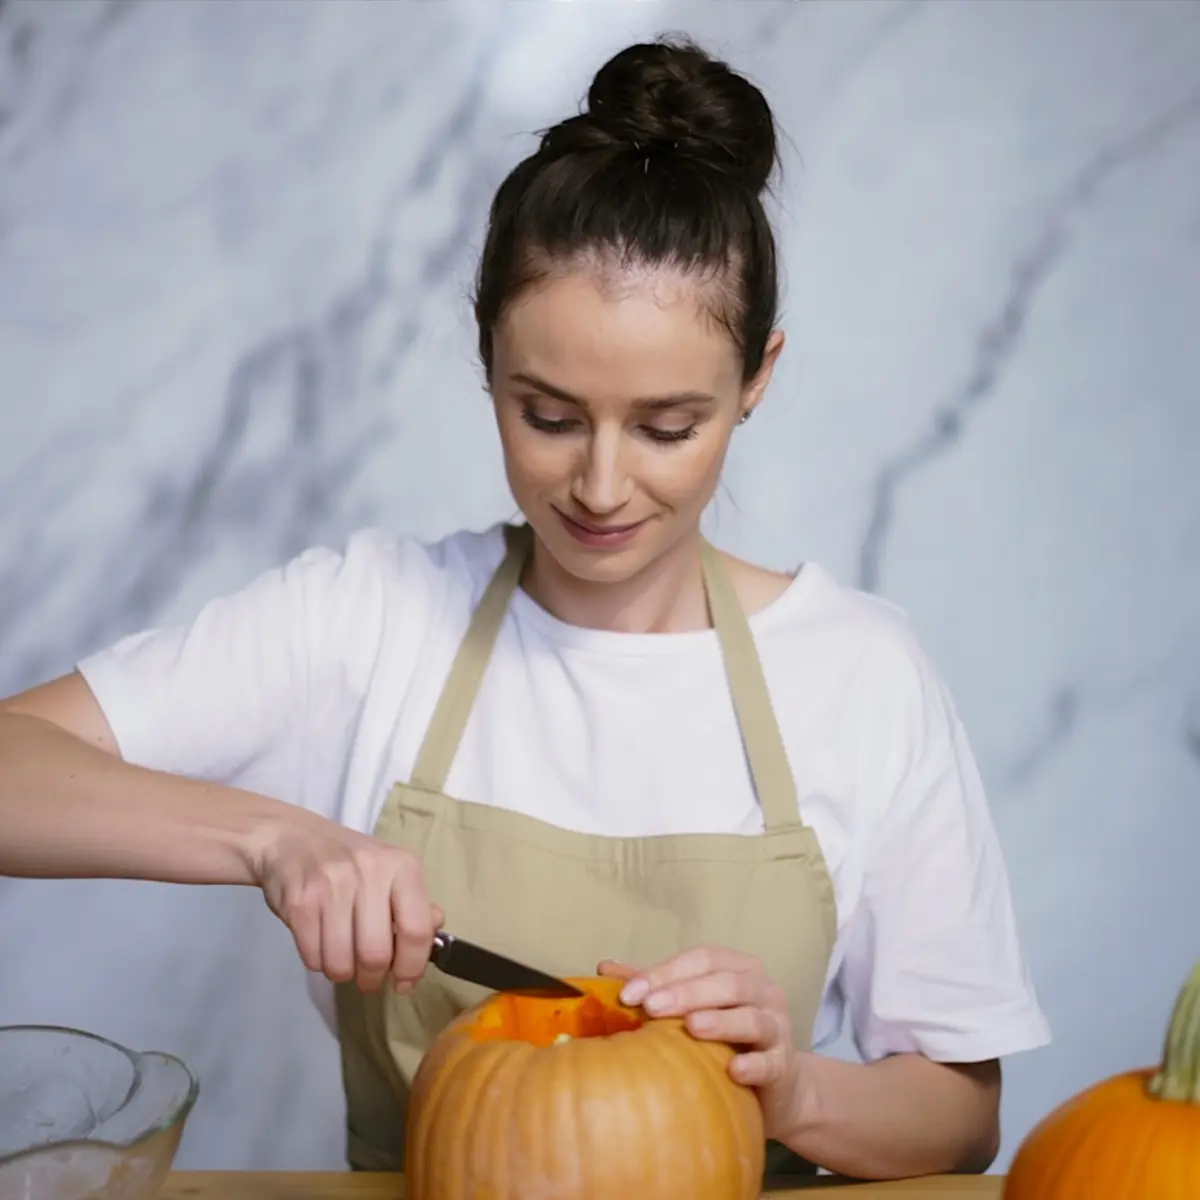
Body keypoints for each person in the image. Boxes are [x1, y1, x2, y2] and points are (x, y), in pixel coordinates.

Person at [0, 36, 1049, 1182]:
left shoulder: (859, 673)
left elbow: (959, 1118)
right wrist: (274, 839)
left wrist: (791, 1086)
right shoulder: (367, 622)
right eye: (547, 414)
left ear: (758, 379)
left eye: (666, 426)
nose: (600, 487)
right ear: (487, 357)